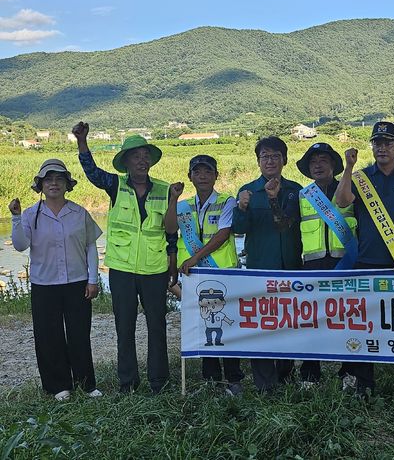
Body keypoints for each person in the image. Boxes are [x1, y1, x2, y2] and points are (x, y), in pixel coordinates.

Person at [72, 122, 176, 394]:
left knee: (157, 326)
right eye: (136, 156)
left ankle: (159, 382)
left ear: (151, 161)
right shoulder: (116, 185)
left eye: (145, 156)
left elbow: (171, 232)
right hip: (121, 269)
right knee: (124, 326)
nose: (142, 160)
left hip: (154, 269)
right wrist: (82, 141)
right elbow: (93, 173)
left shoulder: (164, 190)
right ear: (126, 162)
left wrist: (172, 261)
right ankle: (128, 383)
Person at [335, 121, 394, 399]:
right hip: (368, 262)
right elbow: (342, 201)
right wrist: (349, 167)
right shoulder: (362, 177)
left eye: (388, 143)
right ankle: (364, 383)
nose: (382, 148)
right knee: (367, 324)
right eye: (377, 143)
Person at [9, 159, 103, 401]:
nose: (54, 183)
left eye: (59, 179)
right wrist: (16, 217)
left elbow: (90, 247)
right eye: (48, 179)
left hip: (77, 282)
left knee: (79, 334)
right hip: (44, 284)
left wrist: (93, 280)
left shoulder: (79, 213)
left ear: (67, 184)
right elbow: (20, 245)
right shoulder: (30, 214)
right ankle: (58, 386)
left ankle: (86, 384)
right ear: (40, 185)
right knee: (49, 336)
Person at [165, 154, 243, 396]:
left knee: (227, 328)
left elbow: (223, 234)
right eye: (197, 172)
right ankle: (211, 379)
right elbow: (169, 228)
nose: (202, 176)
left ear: (216, 175)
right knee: (205, 327)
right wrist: (172, 198)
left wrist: (196, 257)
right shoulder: (182, 206)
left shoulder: (227, 201)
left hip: (223, 273)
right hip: (195, 277)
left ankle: (233, 379)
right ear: (190, 176)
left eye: (207, 171)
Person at [232, 136, 301, 392]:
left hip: (291, 267)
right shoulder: (248, 191)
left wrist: (274, 199)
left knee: (288, 322)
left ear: (284, 160)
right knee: (261, 324)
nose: (269, 161)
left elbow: (286, 224)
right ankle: (264, 383)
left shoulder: (296, 190)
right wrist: (241, 207)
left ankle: (285, 375)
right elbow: (238, 230)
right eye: (264, 157)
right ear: (258, 161)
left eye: (274, 156)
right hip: (260, 269)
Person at [296, 142, 357, 387]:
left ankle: (349, 372)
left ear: (333, 165)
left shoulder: (349, 188)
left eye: (323, 160)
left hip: (346, 262)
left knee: (349, 318)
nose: (318, 165)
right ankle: (311, 374)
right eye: (313, 162)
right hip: (313, 265)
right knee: (313, 319)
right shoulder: (304, 194)